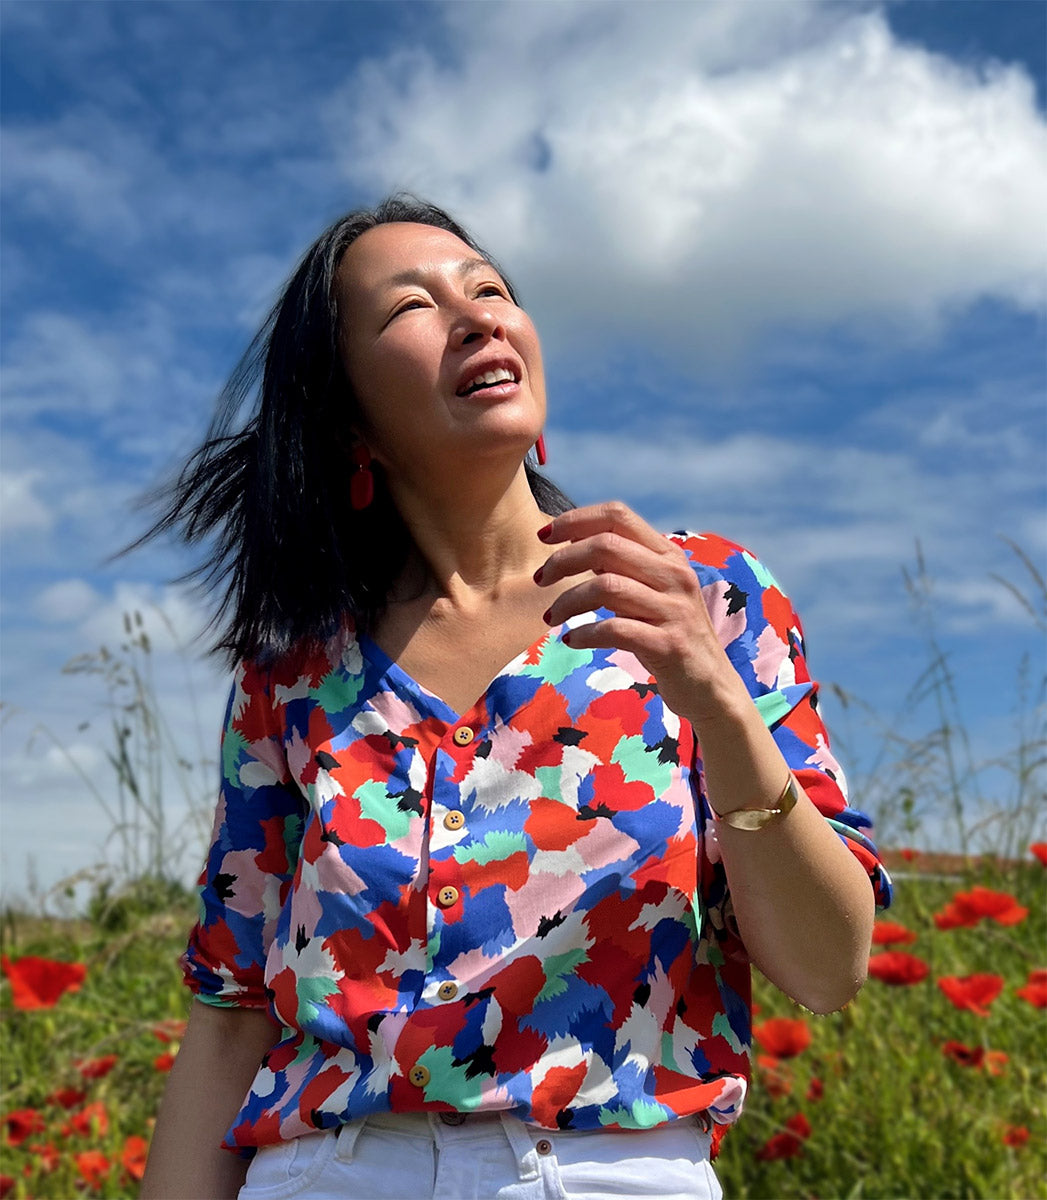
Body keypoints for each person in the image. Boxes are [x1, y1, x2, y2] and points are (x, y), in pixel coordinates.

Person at [139, 195, 891, 1200]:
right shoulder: (294, 676)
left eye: (489, 288)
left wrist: (713, 695)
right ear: (350, 418)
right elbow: (231, 1016)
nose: (477, 314)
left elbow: (827, 965)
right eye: (412, 306)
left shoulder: (707, 595)